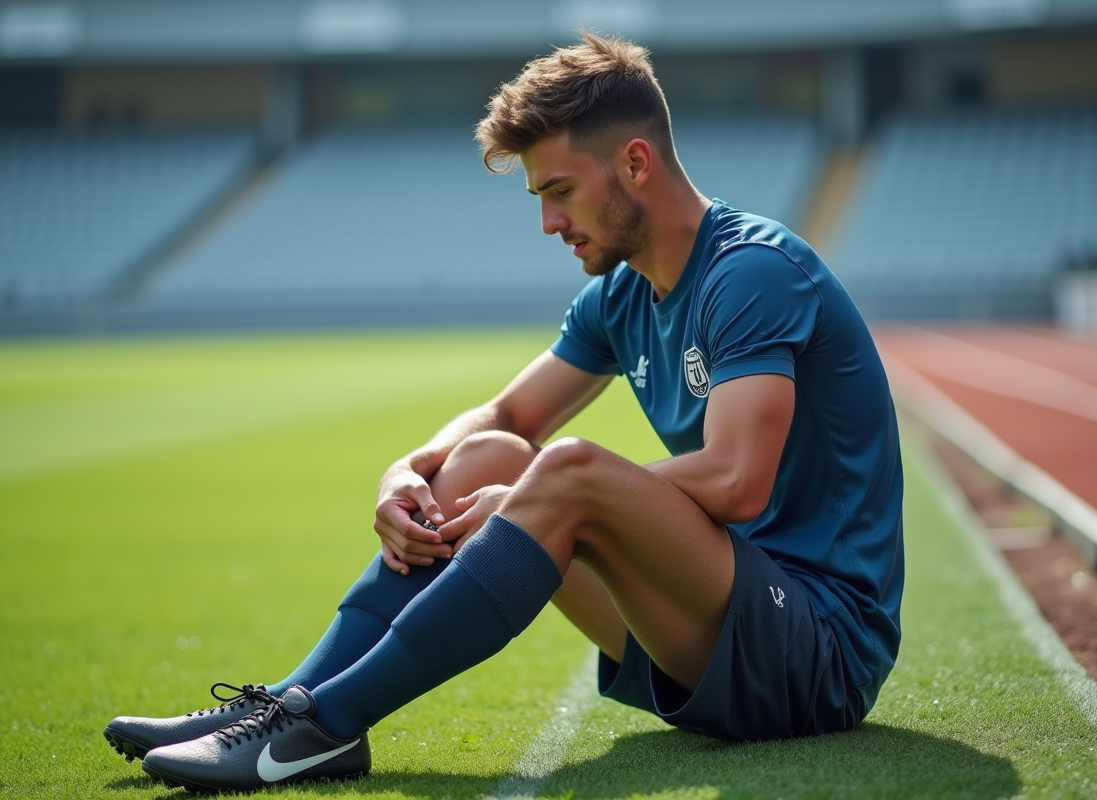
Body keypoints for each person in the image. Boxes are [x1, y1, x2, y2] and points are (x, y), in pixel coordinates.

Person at [103, 32, 904, 792]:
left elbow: (737, 483)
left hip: (818, 654)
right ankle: (284, 701)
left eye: (560, 191)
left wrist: (536, 500)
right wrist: (405, 471)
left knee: (570, 471)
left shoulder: (750, 273)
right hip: (714, 634)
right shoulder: (621, 295)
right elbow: (506, 416)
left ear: (634, 163)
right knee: (489, 458)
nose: (549, 223)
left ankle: (325, 726)